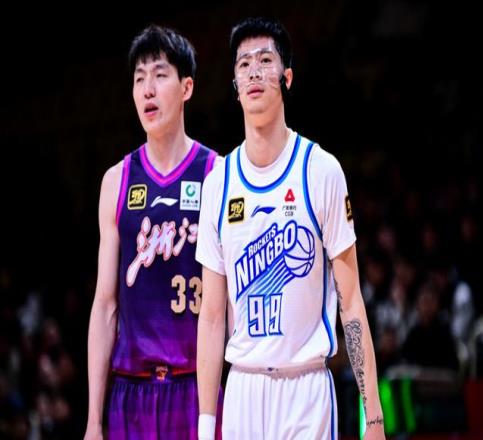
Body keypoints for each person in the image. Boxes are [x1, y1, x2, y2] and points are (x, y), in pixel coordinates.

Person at [196, 17, 385, 439]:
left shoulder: (321, 170)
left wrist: (372, 415)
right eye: (244, 64)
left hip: (307, 387)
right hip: (242, 389)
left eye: (266, 60)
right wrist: (206, 426)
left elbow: (351, 303)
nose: (254, 71)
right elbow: (210, 317)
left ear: (287, 77)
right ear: (234, 85)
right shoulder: (218, 183)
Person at [84, 25, 221, 440]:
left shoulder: (217, 174)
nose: (147, 89)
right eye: (139, 78)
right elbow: (105, 305)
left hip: (198, 389)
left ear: (187, 87)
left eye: (160, 75)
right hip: (131, 393)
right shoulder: (116, 181)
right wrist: (93, 421)